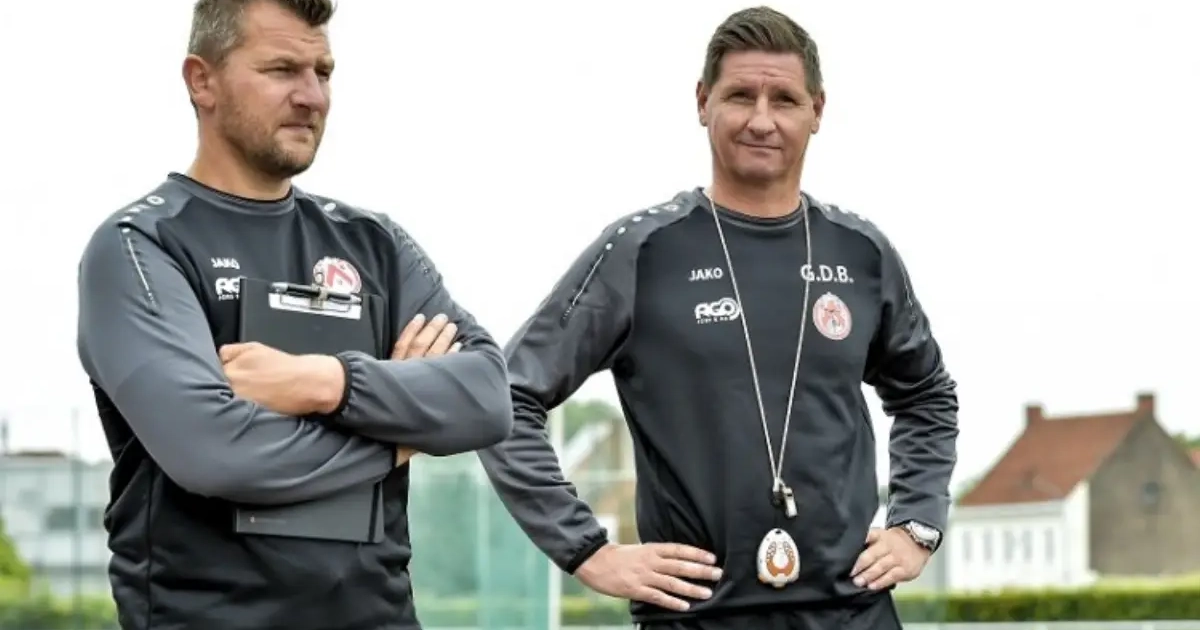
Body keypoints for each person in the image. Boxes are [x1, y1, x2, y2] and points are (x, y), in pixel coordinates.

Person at [477, 6, 958, 630]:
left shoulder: (861, 251)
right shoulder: (641, 250)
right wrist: (587, 550)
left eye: (784, 99)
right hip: (695, 617)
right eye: (739, 96)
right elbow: (504, 398)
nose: (761, 119)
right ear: (703, 102)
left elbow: (926, 395)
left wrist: (917, 523)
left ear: (817, 110)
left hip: (853, 613)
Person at [74, 1, 512, 628]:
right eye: (282, 70)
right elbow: (215, 453)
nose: (312, 96)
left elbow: (488, 397)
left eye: (323, 72)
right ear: (202, 81)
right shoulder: (141, 245)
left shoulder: (375, 244)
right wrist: (404, 435)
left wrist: (327, 382)